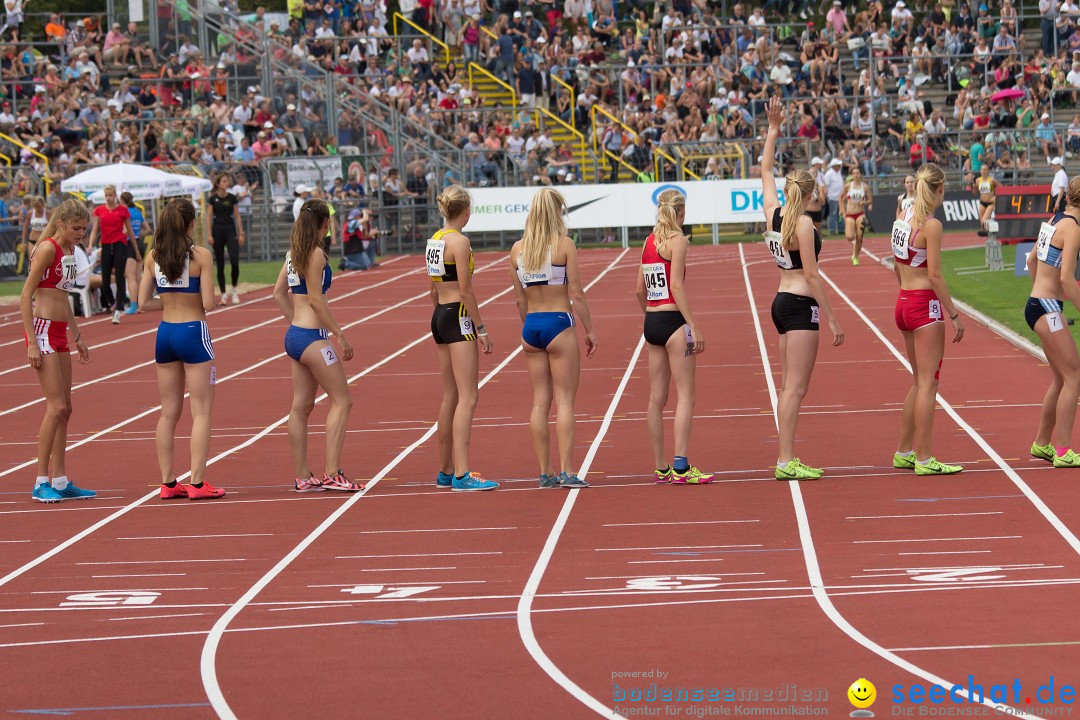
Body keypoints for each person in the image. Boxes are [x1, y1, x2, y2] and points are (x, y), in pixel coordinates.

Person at [760, 96, 845, 480]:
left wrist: (773, 132)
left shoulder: (774, 214)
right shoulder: (805, 225)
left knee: (787, 386)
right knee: (796, 388)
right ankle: (784, 459)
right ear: (811, 193)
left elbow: (764, 169)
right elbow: (812, 276)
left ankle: (785, 455)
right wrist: (832, 319)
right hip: (800, 305)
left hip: (780, 301)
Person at [137, 199, 226, 500]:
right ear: (190, 224)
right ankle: (198, 484)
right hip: (193, 332)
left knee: (168, 413)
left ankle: (168, 482)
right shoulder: (201, 255)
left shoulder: (153, 256)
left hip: (165, 333)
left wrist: (170, 301)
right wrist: (189, 301)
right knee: (201, 411)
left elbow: (142, 303)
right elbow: (210, 303)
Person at [272, 198, 362, 493]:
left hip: (297, 335)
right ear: (324, 224)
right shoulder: (316, 255)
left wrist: (295, 323)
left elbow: (278, 293)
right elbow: (315, 299)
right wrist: (339, 334)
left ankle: (302, 477)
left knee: (301, 407)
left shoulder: (292, 253)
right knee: (342, 400)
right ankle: (333, 473)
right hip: (311, 337)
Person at [509, 187, 597, 489]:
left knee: (539, 403)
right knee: (565, 401)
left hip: (531, 326)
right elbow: (576, 293)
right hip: (559, 323)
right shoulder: (564, 245)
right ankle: (568, 471)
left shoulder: (517, 249)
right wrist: (589, 329)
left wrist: (530, 328)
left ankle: (545, 472)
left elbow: (519, 301)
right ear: (557, 212)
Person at [19, 199, 97, 503]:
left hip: (60, 332)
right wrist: (32, 341)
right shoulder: (49, 248)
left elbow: (63, 298)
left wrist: (77, 335)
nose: (81, 233)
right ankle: (40, 480)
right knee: (56, 407)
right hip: (41, 331)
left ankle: (61, 480)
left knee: (67, 407)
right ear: (61, 224)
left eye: (84, 229)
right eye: (76, 228)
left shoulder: (70, 252)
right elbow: (26, 296)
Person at [890, 163, 965, 475]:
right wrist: (955, 314)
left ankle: (904, 451)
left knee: (918, 381)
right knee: (929, 384)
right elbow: (935, 274)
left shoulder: (902, 219)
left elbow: (895, 263)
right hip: (924, 307)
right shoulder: (931, 225)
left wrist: (906, 293)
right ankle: (924, 458)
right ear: (940, 190)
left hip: (904, 301)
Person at [635, 189, 712, 485]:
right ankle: (681, 467)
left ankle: (661, 467)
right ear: (681, 213)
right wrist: (693, 325)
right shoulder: (678, 241)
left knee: (656, 399)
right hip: (673, 321)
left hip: (653, 321)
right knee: (686, 396)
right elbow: (677, 286)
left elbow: (638, 290)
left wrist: (650, 316)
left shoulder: (649, 241)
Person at [427, 185, 498, 491]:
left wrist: (440, 315)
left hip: (440, 313)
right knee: (469, 396)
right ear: (465, 211)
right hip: (458, 316)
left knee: (450, 396)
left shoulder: (435, 240)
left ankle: (446, 471)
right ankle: (461, 474)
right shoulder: (461, 242)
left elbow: (432, 286)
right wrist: (480, 329)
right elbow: (467, 290)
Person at [1026, 176, 1080, 467]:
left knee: (1061, 378)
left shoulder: (1055, 219)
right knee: (1075, 376)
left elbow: (1031, 260)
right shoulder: (1073, 229)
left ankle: (1042, 443)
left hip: (1038, 305)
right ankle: (1064, 450)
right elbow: (1067, 279)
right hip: (1047, 307)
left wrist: (1038, 295)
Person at [87, 184, 136, 324]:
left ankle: (118, 308)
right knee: (106, 279)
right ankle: (113, 303)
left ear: (115, 196)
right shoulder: (100, 210)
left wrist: (136, 251)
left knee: (120, 276)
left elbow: (130, 231)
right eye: (106, 195)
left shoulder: (122, 210)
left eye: (111, 195)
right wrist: (90, 244)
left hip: (120, 244)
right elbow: (95, 230)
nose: (108, 198)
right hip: (106, 245)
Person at [205, 173, 245, 305]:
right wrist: (209, 235)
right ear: (218, 184)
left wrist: (241, 233)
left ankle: (233, 289)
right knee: (220, 264)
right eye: (224, 181)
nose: (226, 183)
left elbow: (237, 216)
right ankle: (223, 294)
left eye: (227, 181)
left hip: (230, 229)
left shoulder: (232, 198)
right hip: (217, 230)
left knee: (234, 261)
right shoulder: (212, 199)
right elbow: (208, 218)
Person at [840, 166, 873, 265]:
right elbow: (841, 198)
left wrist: (865, 202)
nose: (856, 175)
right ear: (852, 175)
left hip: (860, 214)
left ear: (860, 175)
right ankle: (855, 245)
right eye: (854, 173)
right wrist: (842, 210)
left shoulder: (865, 187)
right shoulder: (848, 186)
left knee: (859, 237)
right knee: (850, 237)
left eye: (857, 173)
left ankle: (855, 256)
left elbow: (870, 200)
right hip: (850, 214)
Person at [120, 192, 145, 314]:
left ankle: (134, 305)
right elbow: (147, 228)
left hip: (130, 244)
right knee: (138, 276)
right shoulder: (137, 211)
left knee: (130, 277)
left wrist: (117, 235)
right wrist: (138, 234)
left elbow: (125, 230)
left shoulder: (126, 212)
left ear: (122, 201)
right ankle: (142, 303)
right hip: (139, 243)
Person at [20, 195, 48, 275]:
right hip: (32, 239)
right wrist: (23, 242)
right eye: (35, 207)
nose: (38, 208)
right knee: (31, 260)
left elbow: (52, 227)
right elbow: (25, 227)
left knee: (43, 260)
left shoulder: (47, 213)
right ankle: (31, 279)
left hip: (43, 240)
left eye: (39, 206)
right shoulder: (30, 213)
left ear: (42, 205)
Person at [805, 157, 827, 231]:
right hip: (807, 211)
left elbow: (823, 202)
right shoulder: (805, 186)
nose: (813, 175)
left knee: (816, 233)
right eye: (811, 173)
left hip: (817, 211)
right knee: (808, 231)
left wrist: (816, 198)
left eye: (814, 173)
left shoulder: (819, 186)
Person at [974, 164, 998, 232]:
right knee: (983, 226)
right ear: (980, 171)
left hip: (990, 203)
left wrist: (995, 197)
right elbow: (975, 193)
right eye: (982, 169)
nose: (983, 171)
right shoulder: (978, 180)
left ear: (988, 171)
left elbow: (1001, 188)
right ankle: (989, 237)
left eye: (985, 169)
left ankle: (991, 234)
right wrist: (974, 188)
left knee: (983, 222)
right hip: (982, 203)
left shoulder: (992, 180)